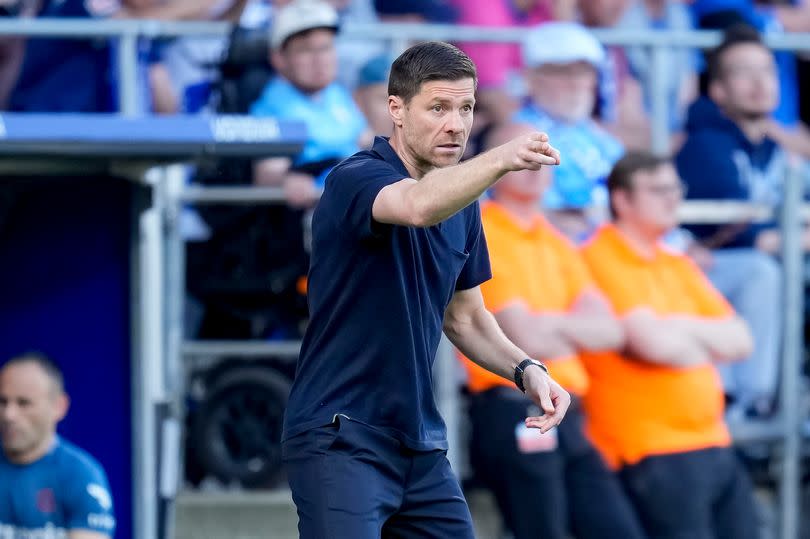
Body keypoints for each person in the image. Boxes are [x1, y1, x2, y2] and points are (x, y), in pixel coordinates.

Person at [281, 41, 570, 539]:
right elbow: (416, 206)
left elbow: (466, 318)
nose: (455, 124)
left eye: (466, 108)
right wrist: (499, 159)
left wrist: (527, 370)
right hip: (339, 435)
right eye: (438, 107)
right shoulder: (356, 177)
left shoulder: (463, 201)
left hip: (419, 446)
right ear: (396, 109)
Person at [459, 122, 645, 539]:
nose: (535, 161)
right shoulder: (482, 228)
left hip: (570, 410)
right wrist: (570, 330)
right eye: (520, 150)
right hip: (513, 404)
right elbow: (527, 339)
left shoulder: (555, 239)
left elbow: (611, 331)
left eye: (542, 149)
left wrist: (550, 328)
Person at [580, 151, 759, 539]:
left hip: (712, 440)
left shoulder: (676, 263)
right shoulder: (598, 257)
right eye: (659, 190)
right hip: (649, 449)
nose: (673, 198)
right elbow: (654, 346)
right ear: (622, 200)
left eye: (675, 188)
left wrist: (674, 326)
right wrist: (702, 340)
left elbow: (742, 340)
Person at [676, 24, 783, 419]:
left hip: (738, 272)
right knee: (761, 271)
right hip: (698, 271)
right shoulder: (706, 142)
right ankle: (751, 405)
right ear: (718, 90)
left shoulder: (771, 147)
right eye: (743, 71)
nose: (760, 82)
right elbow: (748, 238)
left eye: (767, 71)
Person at [250, 0, 370, 208]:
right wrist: (287, 180)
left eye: (326, 47)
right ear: (279, 58)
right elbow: (267, 172)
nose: (320, 59)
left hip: (358, 204)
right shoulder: (270, 106)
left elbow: (367, 141)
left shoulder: (337, 94)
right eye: (305, 50)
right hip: (318, 215)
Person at [515, 21, 624, 241]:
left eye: (584, 72)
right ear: (531, 79)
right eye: (562, 73)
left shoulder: (602, 138)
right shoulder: (518, 136)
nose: (576, 84)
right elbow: (534, 215)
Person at [0, 352, 116, 539]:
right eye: (2, 401)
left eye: (24, 403)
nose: (8, 415)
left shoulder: (80, 474)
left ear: (58, 407)